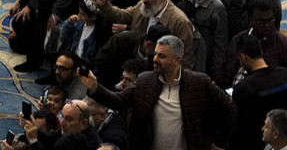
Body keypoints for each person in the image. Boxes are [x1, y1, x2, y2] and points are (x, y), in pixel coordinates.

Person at [79, 34, 235, 149]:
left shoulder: (199, 82)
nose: (155, 59)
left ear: (177, 60)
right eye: (155, 54)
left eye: (162, 56)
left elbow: (229, 108)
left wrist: (219, 144)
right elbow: (118, 101)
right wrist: (95, 87)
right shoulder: (145, 81)